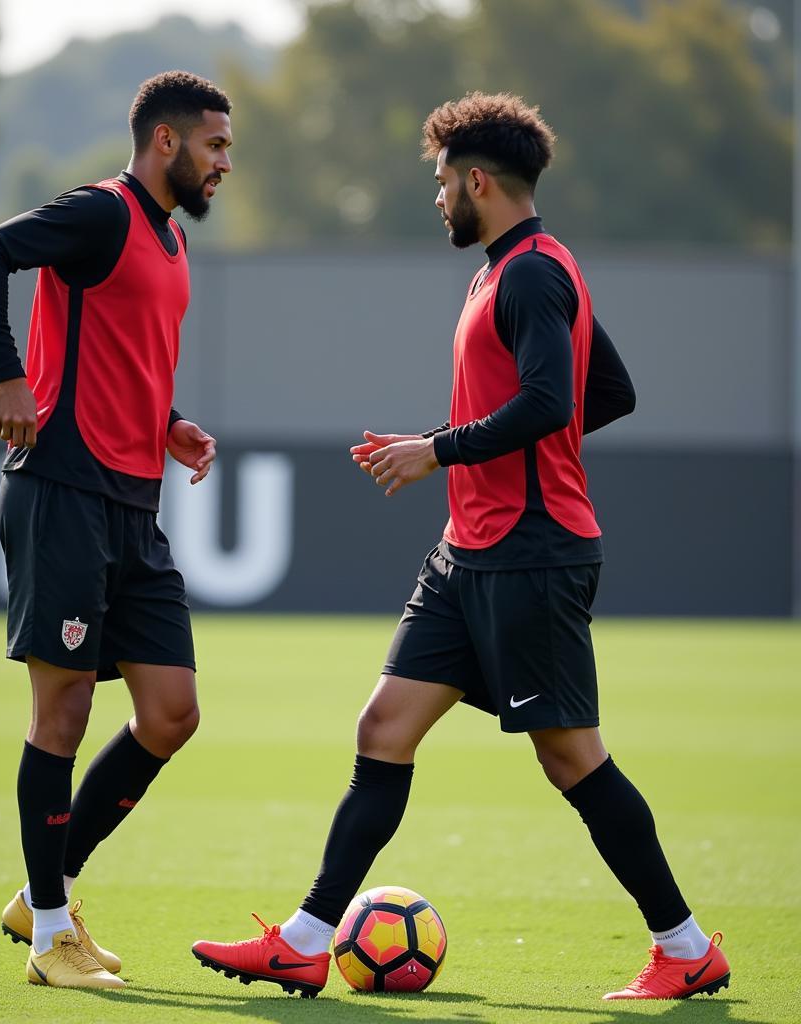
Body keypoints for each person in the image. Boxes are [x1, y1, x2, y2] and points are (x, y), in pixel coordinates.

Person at [191, 91, 729, 1002]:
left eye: (443, 182)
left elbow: (559, 401)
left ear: (478, 181)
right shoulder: (506, 269)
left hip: (532, 554)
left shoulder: (529, 275)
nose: (437, 198)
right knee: (383, 728)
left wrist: (439, 448)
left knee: (571, 758)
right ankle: (304, 939)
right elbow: (608, 394)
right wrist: (494, 455)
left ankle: (683, 947)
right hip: (469, 554)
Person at [0, 70, 232, 991]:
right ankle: (50, 938)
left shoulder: (170, 240)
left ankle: (48, 890)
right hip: (62, 492)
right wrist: (6, 374)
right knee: (64, 712)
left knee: (171, 713)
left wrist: (169, 421)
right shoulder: (100, 214)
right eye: (215, 146)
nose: (224, 163)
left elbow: (122, 358)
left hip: (133, 504)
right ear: (165, 142)